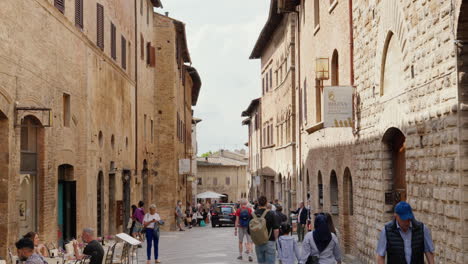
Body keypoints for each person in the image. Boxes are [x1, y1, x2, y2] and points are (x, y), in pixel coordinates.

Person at [252, 196, 280, 264]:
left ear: (258, 203)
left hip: (258, 242)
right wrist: (275, 240)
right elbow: (276, 230)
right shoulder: (272, 214)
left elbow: (249, 231)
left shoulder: (253, 214)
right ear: (266, 203)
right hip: (270, 241)